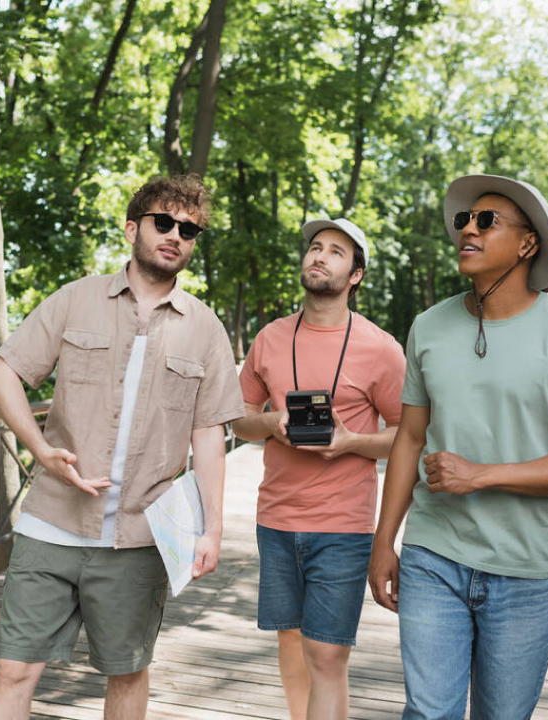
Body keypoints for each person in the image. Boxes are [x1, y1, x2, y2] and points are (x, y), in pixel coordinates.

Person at [0, 175, 244, 720]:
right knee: (13, 668)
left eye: (189, 229)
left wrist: (212, 528)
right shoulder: (75, 299)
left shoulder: (205, 329)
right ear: (133, 229)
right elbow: (1, 377)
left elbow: (209, 433)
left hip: (141, 537)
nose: (176, 235)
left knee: (126, 673)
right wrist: (39, 449)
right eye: (164, 222)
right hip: (52, 522)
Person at [368, 174, 548, 719]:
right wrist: (384, 540)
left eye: (487, 220)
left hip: (525, 568)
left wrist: (481, 475)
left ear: (528, 244)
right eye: (464, 220)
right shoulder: (429, 326)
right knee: (428, 714)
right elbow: (410, 436)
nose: (467, 230)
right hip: (434, 554)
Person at [232, 217, 406, 719]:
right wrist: (271, 422)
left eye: (336, 252)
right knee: (290, 640)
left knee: (327, 652)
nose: (320, 256)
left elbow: (408, 436)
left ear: (355, 275)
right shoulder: (270, 338)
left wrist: (352, 441)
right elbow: (238, 420)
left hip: (343, 524)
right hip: (276, 519)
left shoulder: (381, 348)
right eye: (315, 247)